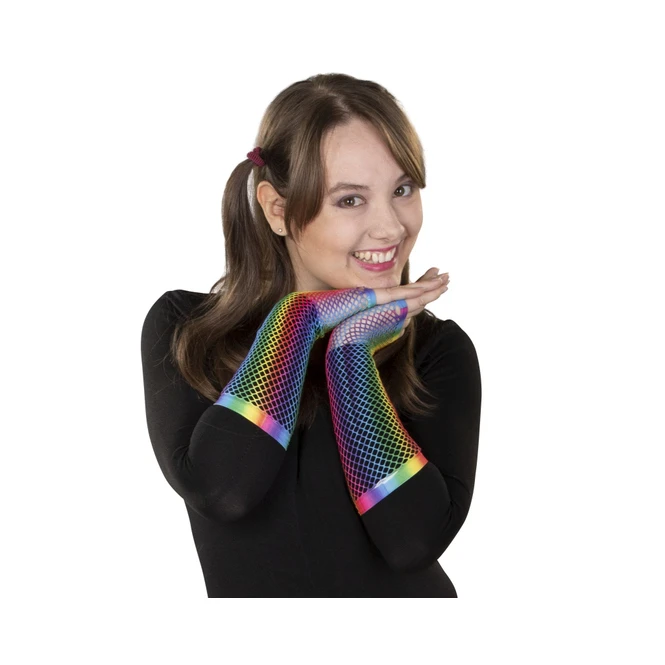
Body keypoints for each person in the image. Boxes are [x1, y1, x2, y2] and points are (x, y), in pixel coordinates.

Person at [140, 73, 482, 598]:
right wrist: (298, 319)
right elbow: (223, 491)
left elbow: (411, 542)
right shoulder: (189, 330)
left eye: (402, 190)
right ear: (277, 209)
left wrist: (350, 353)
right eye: (350, 200)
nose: (392, 227)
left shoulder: (437, 352)